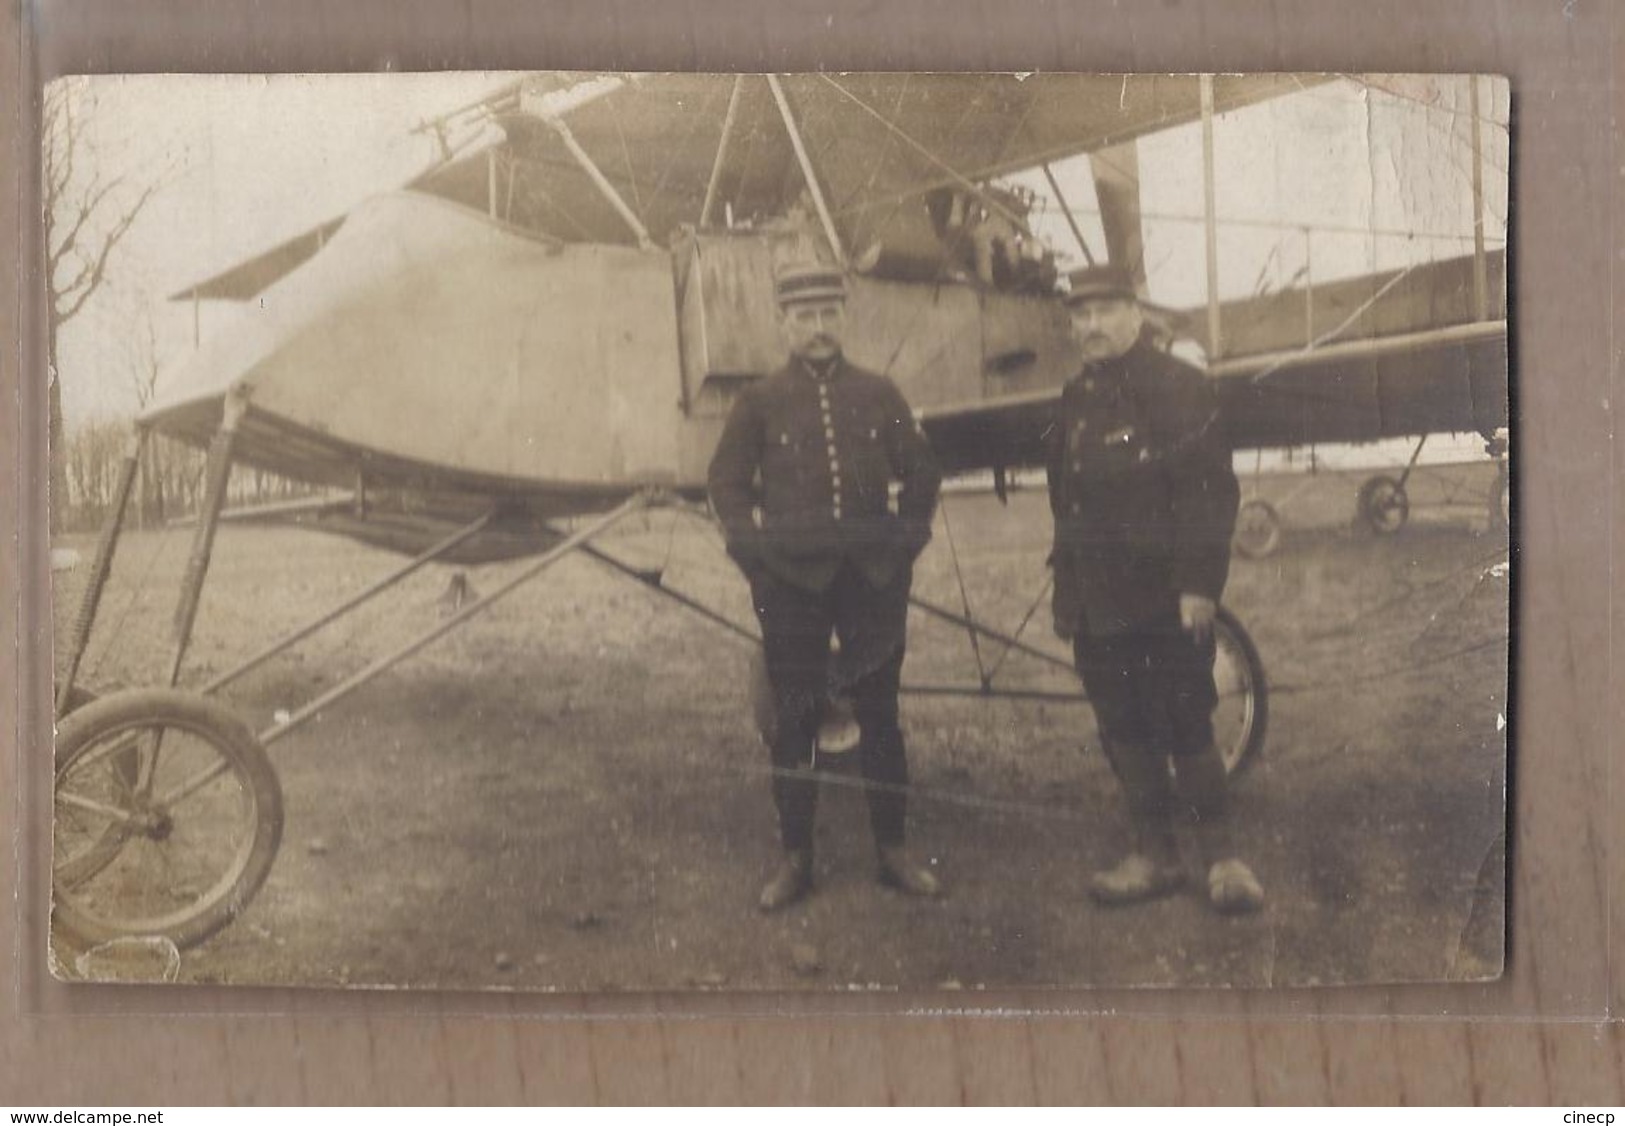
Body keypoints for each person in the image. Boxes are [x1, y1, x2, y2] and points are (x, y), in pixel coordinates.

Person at [708, 260, 944, 912]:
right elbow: (724, 485)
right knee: (795, 721)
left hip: (872, 579)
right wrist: (756, 562)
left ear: (844, 318)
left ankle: (893, 852)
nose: (817, 328)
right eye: (803, 317)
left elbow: (922, 473)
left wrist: (902, 545)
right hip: (791, 583)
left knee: (881, 717)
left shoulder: (878, 393)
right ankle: (795, 859)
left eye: (827, 314)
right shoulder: (758, 402)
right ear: (783, 323)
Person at [1047, 263, 1265, 914]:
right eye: (1079, 316)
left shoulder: (1179, 387)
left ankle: (1221, 859)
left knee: (1185, 723)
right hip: (1096, 599)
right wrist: (1069, 597)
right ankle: (1155, 856)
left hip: (1162, 595)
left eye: (1104, 312)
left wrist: (1198, 586)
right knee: (1124, 728)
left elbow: (1208, 494)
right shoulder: (1074, 398)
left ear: (1134, 315)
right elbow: (1066, 502)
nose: (1091, 326)